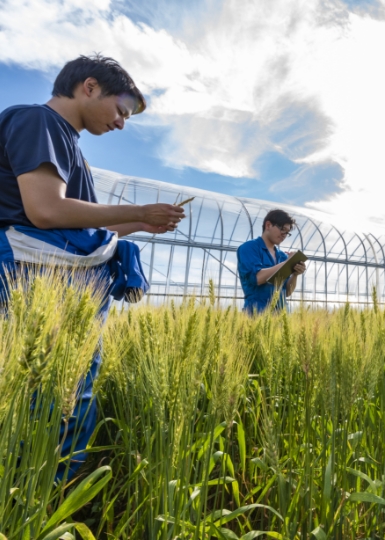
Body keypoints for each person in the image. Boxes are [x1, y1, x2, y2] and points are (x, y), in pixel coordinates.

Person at [0, 54, 185, 479]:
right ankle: (40, 492)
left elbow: (78, 233)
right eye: (121, 111)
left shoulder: (69, 146)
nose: (121, 123)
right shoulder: (37, 122)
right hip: (39, 278)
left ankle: (52, 490)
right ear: (89, 87)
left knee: (67, 389)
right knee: (46, 392)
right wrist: (137, 209)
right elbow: (46, 211)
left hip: (61, 279)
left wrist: (140, 223)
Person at [237, 209, 307, 314]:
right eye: (282, 229)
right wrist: (287, 264)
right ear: (268, 225)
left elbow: (287, 292)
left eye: (287, 233)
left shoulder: (282, 256)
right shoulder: (248, 248)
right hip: (256, 314)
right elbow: (257, 278)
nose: (284, 234)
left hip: (282, 315)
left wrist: (295, 275)